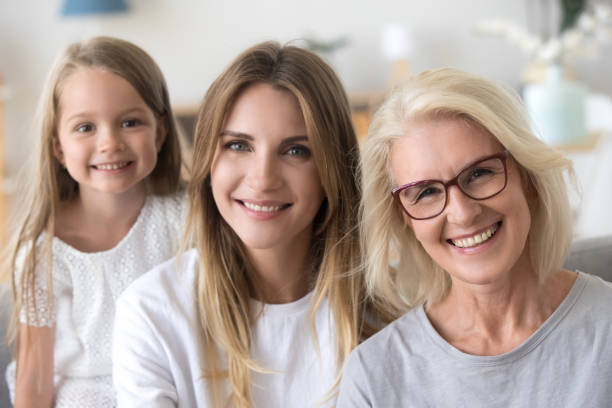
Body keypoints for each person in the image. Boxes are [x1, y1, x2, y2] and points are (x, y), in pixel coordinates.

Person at [112, 41, 378, 408]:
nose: (263, 178)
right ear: (208, 161)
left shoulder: (385, 310)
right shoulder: (151, 312)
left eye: (296, 150)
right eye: (238, 145)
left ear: (332, 170)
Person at [337, 68, 612, 407]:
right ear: (403, 217)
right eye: (425, 192)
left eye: (480, 173)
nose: (463, 213)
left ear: (528, 178)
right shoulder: (374, 375)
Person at [4, 36, 185, 407]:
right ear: (58, 145)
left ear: (160, 131)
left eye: (130, 122)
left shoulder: (187, 220)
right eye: (85, 127)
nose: (109, 143)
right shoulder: (43, 254)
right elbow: (35, 376)